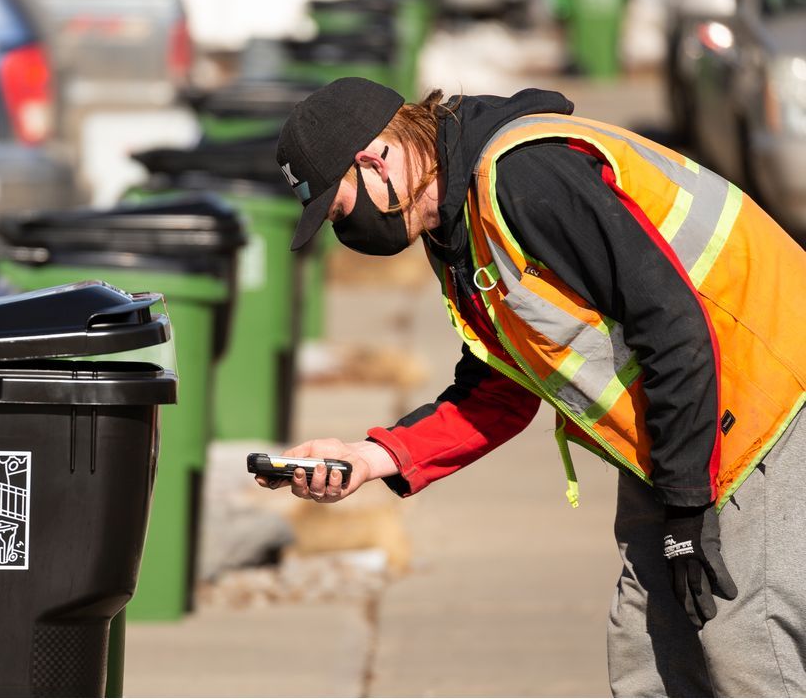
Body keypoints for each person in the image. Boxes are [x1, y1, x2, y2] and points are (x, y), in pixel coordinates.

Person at [260, 77, 806, 696]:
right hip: (684, 426)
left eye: (338, 208)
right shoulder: (458, 229)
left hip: (766, 408)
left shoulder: (525, 178)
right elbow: (503, 386)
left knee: (744, 644)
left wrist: (687, 504)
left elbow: (673, 323)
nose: (346, 230)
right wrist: (370, 457)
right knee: (647, 651)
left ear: (374, 158)